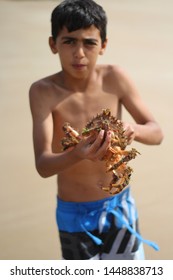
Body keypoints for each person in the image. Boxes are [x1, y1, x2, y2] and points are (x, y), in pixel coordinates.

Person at [29, 0, 163, 260]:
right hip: (73, 214)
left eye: (89, 42)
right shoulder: (42, 92)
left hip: (119, 206)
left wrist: (132, 130)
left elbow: (156, 132)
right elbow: (43, 165)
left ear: (103, 45)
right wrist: (79, 153)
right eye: (69, 41)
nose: (79, 53)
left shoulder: (115, 77)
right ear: (52, 44)